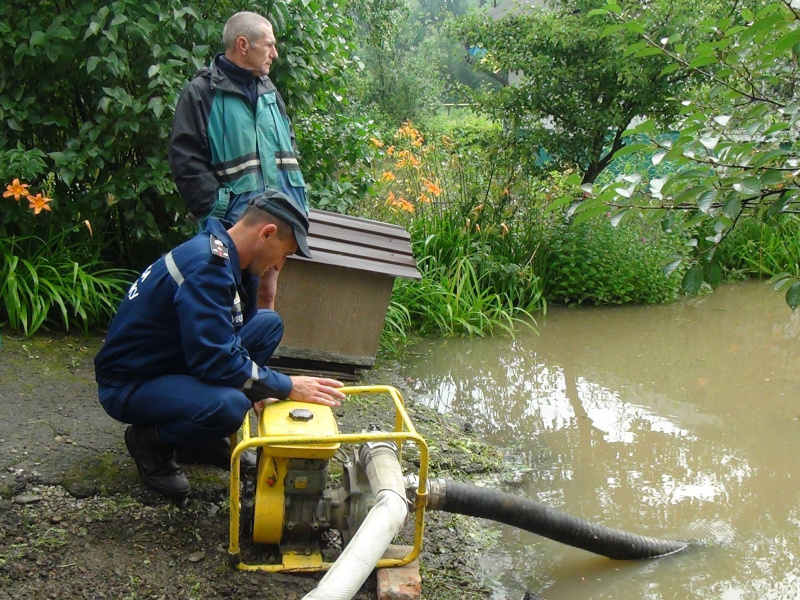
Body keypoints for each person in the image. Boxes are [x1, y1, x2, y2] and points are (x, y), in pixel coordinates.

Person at [94, 192, 345, 500]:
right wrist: (282, 385)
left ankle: (196, 439)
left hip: (173, 358)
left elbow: (232, 334)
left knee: (268, 325)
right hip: (131, 383)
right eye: (285, 254)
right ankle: (149, 442)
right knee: (230, 405)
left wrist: (261, 385)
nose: (280, 264)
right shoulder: (208, 267)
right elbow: (215, 360)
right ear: (267, 233)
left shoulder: (233, 258)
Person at [168, 10, 308, 309]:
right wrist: (218, 207)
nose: (275, 53)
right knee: (223, 299)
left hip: (275, 224)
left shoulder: (268, 90)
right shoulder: (202, 93)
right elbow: (185, 158)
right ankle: (222, 354)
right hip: (233, 226)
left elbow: (288, 145)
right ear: (243, 45)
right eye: (268, 45)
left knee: (266, 295)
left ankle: (253, 355)